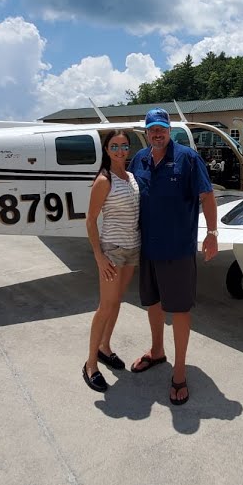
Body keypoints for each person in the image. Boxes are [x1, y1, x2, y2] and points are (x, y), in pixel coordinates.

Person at [127, 108, 218, 405]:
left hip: (177, 249)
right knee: (152, 303)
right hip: (148, 247)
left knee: (179, 309)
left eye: (162, 128)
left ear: (169, 130)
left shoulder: (188, 159)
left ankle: (179, 371)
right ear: (146, 131)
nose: (157, 133)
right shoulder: (138, 159)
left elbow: (207, 197)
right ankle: (157, 351)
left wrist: (212, 234)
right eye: (152, 128)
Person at [81, 130, 141, 393]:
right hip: (113, 251)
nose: (119, 151)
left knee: (117, 302)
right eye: (114, 146)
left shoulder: (130, 177)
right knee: (105, 306)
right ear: (106, 150)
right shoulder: (104, 180)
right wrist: (99, 255)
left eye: (124, 146)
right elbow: (90, 220)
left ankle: (105, 348)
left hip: (132, 248)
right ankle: (90, 364)